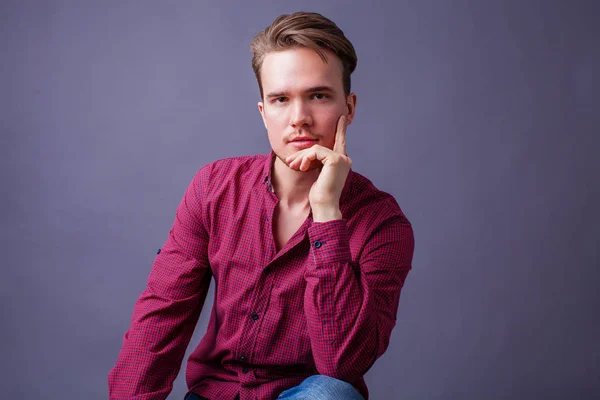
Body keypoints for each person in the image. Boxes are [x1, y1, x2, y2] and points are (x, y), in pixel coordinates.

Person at [108, 11, 414, 400]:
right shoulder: (214, 189)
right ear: (263, 112)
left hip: (304, 395)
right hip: (214, 394)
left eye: (318, 96)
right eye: (281, 99)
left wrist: (326, 213)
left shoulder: (383, 223)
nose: (299, 119)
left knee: (332, 394)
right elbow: (163, 313)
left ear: (349, 108)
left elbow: (342, 364)